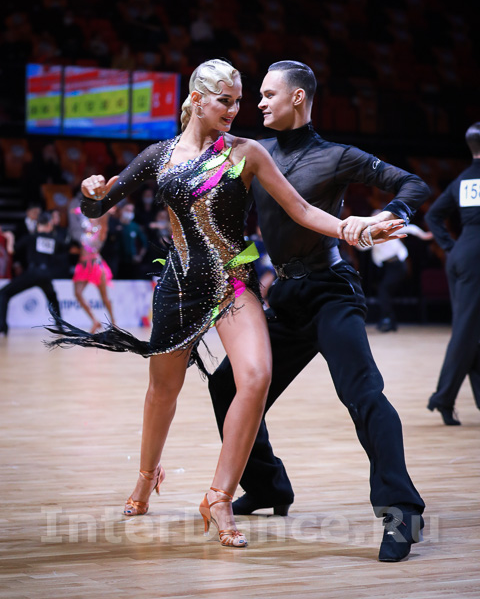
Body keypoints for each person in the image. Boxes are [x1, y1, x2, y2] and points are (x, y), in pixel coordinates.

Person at [45, 59, 402, 549]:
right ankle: (146, 477)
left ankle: (219, 496)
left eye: (238, 101)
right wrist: (89, 193)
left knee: (255, 375)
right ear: (196, 99)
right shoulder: (158, 156)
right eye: (225, 100)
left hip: (233, 282)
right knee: (162, 392)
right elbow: (97, 206)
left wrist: (350, 229)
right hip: (178, 287)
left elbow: (301, 208)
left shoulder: (246, 152)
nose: (235, 109)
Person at [208, 60, 430, 562]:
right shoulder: (253, 154)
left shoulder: (336, 156)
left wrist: (385, 216)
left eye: (268, 94)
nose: (259, 103)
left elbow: (412, 184)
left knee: (362, 393)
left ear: (298, 98)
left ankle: (402, 511)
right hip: (285, 296)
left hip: (332, 290)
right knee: (227, 386)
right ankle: (268, 486)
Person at [425, 122, 480, 426]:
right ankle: (443, 398)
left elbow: (433, 215)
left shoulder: (463, 180)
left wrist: (451, 247)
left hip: (462, 254)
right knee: (466, 331)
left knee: (471, 330)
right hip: (476, 259)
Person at [363, 215, 433, 332]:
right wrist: (355, 238)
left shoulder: (388, 229)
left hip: (397, 265)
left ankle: (388, 319)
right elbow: (362, 247)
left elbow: (410, 228)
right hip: (386, 266)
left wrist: (424, 235)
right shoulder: (371, 236)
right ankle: (389, 320)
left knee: (383, 290)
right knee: (384, 292)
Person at [0, 212, 64, 335]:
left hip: (33, 273)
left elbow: (11, 250)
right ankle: (60, 326)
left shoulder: (31, 237)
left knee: (3, 293)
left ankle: (2, 326)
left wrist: (10, 238)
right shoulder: (54, 240)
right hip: (46, 275)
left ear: (38, 224)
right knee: (53, 299)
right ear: (49, 225)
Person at [71, 208, 115, 333]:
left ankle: (114, 322)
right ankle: (95, 321)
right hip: (83, 266)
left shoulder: (101, 231)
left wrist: (106, 211)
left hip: (95, 265)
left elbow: (104, 221)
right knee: (78, 293)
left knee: (104, 297)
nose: (91, 218)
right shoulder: (87, 231)